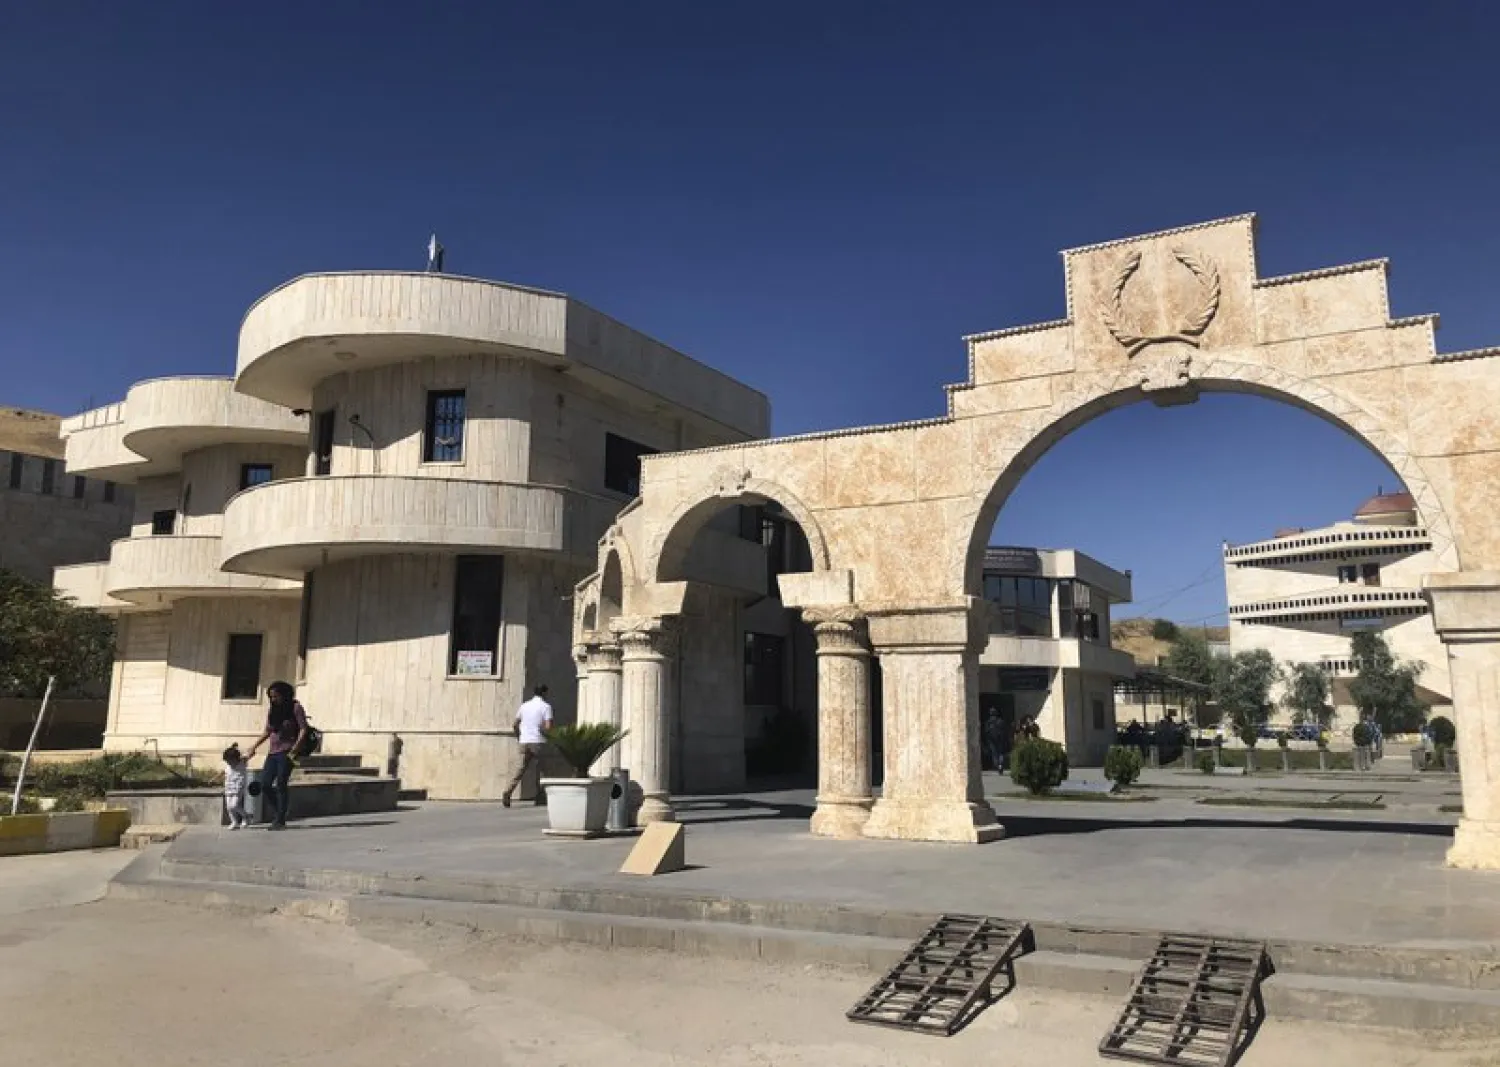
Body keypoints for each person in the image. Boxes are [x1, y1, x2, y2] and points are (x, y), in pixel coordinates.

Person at [246, 681, 308, 830]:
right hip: (273, 752)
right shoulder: (272, 711)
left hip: (288, 752)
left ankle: (280, 819)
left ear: (284, 695)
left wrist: (296, 748)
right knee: (266, 784)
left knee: (281, 783)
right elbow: (268, 731)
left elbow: (303, 729)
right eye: (271, 697)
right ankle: (280, 811)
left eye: (276, 696)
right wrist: (254, 746)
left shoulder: (295, 708)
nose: (273, 699)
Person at [502, 684, 553, 808]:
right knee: (541, 770)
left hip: (524, 740)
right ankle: (540, 796)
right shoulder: (546, 707)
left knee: (520, 769)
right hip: (538, 741)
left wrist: (519, 736)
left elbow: (515, 724)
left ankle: (508, 791)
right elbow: (548, 727)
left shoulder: (524, 706)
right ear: (544, 693)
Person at [222, 744, 250, 830]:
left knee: (234, 805)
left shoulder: (242, 763)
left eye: (230, 761)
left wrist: (250, 750)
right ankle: (234, 822)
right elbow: (223, 772)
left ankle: (245, 816)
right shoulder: (228, 766)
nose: (229, 763)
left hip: (238, 787)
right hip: (229, 787)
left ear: (235, 759)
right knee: (229, 807)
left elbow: (251, 753)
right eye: (227, 761)